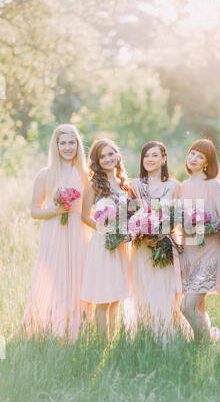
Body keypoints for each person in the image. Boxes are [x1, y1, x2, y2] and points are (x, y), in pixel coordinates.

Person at [20, 124, 91, 342]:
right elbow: (34, 211)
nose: (68, 147)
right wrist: (56, 210)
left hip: (80, 232)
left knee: (80, 280)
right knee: (56, 279)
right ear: (56, 146)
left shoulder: (86, 174)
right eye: (63, 143)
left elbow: (92, 208)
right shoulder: (45, 174)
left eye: (72, 142)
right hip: (54, 232)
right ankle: (54, 327)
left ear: (78, 145)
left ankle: (79, 330)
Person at [128, 141, 183, 339]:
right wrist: (141, 229)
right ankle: (145, 334)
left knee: (164, 288)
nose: (149, 160)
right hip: (141, 246)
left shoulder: (174, 186)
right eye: (146, 156)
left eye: (154, 155)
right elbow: (128, 215)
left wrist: (162, 231)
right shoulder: (134, 186)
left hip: (165, 245)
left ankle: (166, 334)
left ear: (164, 159)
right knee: (143, 288)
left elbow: (179, 217)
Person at [81, 138, 130, 340]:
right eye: (103, 156)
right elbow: (84, 216)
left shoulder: (124, 183)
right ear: (97, 161)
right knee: (102, 298)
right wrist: (105, 228)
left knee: (116, 297)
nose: (108, 159)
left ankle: (113, 344)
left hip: (121, 247)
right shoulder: (94, 185)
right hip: (102, 244)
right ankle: (101, 344)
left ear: (117, 156)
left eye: (111, 154)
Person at [179, 139, 220, 342]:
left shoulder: (212, 185)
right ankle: (199, 347)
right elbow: (177, 221)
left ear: (207, 163)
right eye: (192, 153)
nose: (194, 158)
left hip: (208, 251)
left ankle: (208, 343)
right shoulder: (182, 186)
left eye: (200, 156)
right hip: (188, 251)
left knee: (186, 306)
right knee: (197, 305)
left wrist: (203, 225)